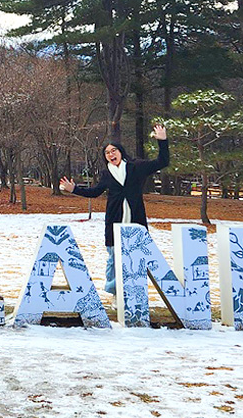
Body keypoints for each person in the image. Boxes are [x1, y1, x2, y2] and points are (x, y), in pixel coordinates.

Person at [59, 123, 169, 295]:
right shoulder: (106, 174)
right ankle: (115, 292)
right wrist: (74, 189)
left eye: (113, 151)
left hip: (135, 220)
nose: (111, 154)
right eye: (107, 152)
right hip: (114, 221)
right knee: (113, 258)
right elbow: (94, 192)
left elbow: (162, 161)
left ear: (121, 152)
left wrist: (162, 141)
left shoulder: (137, 167)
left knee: (137, 257)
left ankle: (133, 290)